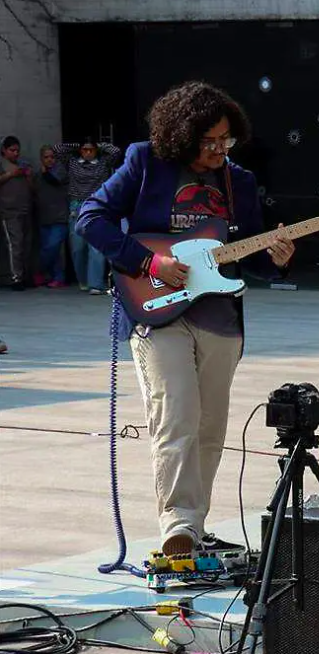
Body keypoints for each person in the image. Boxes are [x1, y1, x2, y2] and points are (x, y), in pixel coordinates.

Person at [78, 81, 295, 555]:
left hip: (219, 318)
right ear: (181, 136)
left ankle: (194, 525)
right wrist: (148, 262)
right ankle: (178, 525)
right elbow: (91, 218)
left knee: (210, 427)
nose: (219, 150)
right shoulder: (145, 162)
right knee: (176, 416)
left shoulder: (239, 181)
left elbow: (251, 256)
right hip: (157, 314)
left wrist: (276, 258)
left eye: (225, 140)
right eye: (208, 141)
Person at [54, 139, 121, 294]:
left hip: (97, 204)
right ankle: (83, 280)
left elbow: (116, 151)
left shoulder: (103, 162)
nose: (88, 153)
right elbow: (58, 149)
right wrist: (77, 146)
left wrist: (99, 145)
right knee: (77, 247)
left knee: (96, 246)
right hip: (77, 206)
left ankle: (95, 284)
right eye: (85, 150)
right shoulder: (73, 162)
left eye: (91, 150)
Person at [33, 146, 71, 288]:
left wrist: (44, 173)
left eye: (52, 157)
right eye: (46, 157)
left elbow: (54, 181)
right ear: (41, 159)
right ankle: (58, 277)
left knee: (52, 247)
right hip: (44, 217)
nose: (50, 160)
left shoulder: (60, 171)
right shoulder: (38, 175)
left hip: (60, 216)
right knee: (51, 250)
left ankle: (39, 270)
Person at [0, 136, 33, 290]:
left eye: (17, 150)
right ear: (4, 150)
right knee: (15, 245)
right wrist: (11, 174)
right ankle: (16, 278)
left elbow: (34, 188)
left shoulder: (23, 164)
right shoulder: (2, 164)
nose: (15, 153)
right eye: (12, 150)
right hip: (9, 211)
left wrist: (28, 176)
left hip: (25, 210)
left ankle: (26, 276)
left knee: (26, 245)